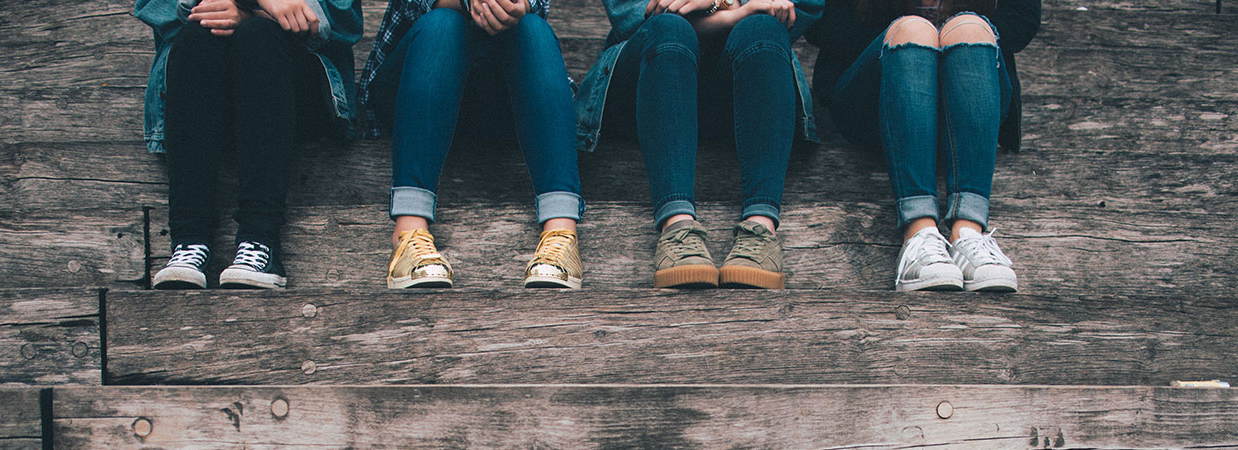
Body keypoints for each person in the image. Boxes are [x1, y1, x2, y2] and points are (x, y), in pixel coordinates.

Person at [575, 0, 821, 289]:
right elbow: (633, 15)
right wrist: (732, 14)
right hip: (653, 74)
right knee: (669, 28)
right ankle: (677, 225)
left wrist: (724, 3)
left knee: (763, 28)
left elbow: (800, 8)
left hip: (744, 77)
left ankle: (761, 227)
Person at [807, 0, 1039, 291]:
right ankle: (919, 235)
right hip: (878, 93)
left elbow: (1022, 20)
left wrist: (949, 44)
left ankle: (968, 234)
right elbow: (822, 25)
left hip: (972, 89)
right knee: (913, 29)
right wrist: (920, 49)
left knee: (969, 27)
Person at [137, 0, 364, 289]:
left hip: (289, 85)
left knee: (257, 34)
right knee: (201, 31)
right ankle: (189, 240)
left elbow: (344, 19)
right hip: (205, 76)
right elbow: (155, 6)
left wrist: (252, 13)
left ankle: (259, 240)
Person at [359, 0, 585, 289]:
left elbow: (538, 5)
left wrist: (517, 4)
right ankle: (408, 232)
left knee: (532, 27)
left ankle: (561, 232)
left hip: (499, 94)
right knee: (443, 23)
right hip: (418, 83)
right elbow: (413, 6)